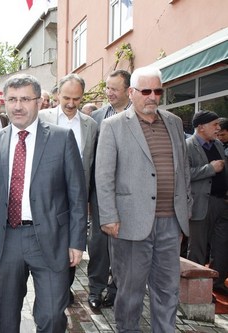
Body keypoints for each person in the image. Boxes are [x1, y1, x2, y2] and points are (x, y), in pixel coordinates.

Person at [0, 74, 87, 333]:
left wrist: (77, 240)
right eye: (12, 99)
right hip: (6, 239)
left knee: (53, 315)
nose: (18, 106)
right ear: (4, 102)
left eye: (25, 99)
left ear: (39, 102)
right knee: (5, 317)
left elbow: (77, 193)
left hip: (51, 239)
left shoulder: (61, 139)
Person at [96, 66, 191, 332]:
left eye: (157, 91)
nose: (152, 97)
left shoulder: (173, 122)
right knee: (130, 292)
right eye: (146, 91)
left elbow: (183, 170)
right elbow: (103, 176)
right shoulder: (113, 125)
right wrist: (109, 216)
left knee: (167, 289)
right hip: (129, 223)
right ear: (131, 92)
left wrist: (185, 214)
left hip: (170, 223)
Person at [39, 74, 98, 304]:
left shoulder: (90, 125)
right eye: (66, 98)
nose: (71, 104)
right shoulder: (42, 117)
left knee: (73, 242)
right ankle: (49, 286)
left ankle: (65, 288)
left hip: (76, 196)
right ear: (57, 95)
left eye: (76, 98)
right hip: (45, 194)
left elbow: (90, 162)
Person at [87, 69, 132, 310]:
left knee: (124, 244)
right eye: (107, 88)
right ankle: (95, 289)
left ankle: (116, 291)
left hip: (130, 193)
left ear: (128, 90)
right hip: (101, 192)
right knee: (98, 243)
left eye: (114, 89)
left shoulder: (138, 116)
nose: (109, 93)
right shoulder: (96, 117)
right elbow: (89, 157)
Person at [186, 111, 228, 297]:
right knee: (198, 248)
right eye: (215, 124)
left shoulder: (218, 144)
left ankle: (217, 283)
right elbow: (185, 174)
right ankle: (195, 289)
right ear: (201, 127)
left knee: (221, 247)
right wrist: (210, 169)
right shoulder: (187, 146)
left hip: (222, 203)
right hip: (201, 204)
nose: (218, 128)